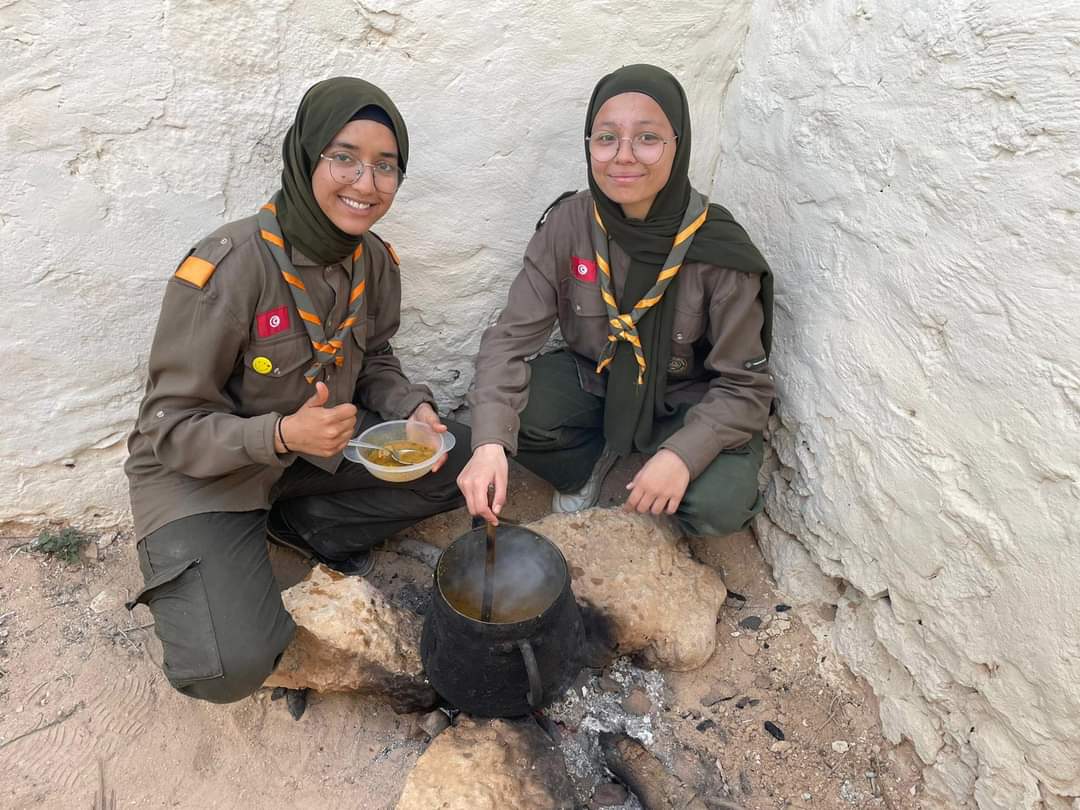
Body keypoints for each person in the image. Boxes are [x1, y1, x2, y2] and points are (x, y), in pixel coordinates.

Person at [124, 77, 469, 704]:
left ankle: (297, 528)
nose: (366, 184)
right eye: (344, 158)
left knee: (455, 460)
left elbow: (377, 359)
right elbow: (167, 427)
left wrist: (409, 407)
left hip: (315, 450)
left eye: (385, 167)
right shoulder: (231, 265)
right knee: (225, 667)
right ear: (306, 157)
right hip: (208, 471)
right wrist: (280, 434)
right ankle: (230, 559)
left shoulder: (375, 263)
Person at [457, 64, 773, 541]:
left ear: (678, 144)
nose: (624, 157)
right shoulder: (569, 223)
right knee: (501, 419)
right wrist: (487, 446)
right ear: (589, 146)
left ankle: (660, 461)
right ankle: (588, 465)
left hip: (685, 398)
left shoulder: (718, 249)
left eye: (647, 138)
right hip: (599, 382)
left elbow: (746, 388)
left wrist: (682, 455)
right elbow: (509, 342)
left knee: (718, 507)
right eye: (606, 138)